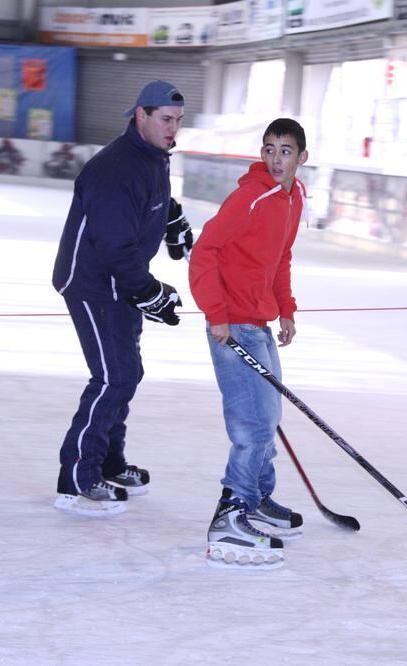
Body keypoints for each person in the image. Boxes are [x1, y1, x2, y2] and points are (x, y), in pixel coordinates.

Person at [50, 80, 188, 517]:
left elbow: (147, 200)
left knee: (126, 373)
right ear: (141, 115)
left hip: (119, 285)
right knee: (114, 377)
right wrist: (148, 292)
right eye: (166, 120)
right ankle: (77, 478)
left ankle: (108, 461)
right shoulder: (114, 169)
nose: (174, 130)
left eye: (179, 121)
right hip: (94, 284)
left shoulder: (151, 158)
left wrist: (172, 214)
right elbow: (114, 244)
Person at [189, 118, 309, 569]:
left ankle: (257, 498)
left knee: (269, 416)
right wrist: (215, 314)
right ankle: (231, 516)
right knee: (253, 424)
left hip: (258, 320)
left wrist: (287, 308)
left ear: (302, 157)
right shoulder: (250, 197)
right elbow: (205, 252)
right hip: (233, 324)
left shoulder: (293, 197)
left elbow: (281, 256)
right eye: (270, 149)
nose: (276, 159)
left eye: (286, 150)